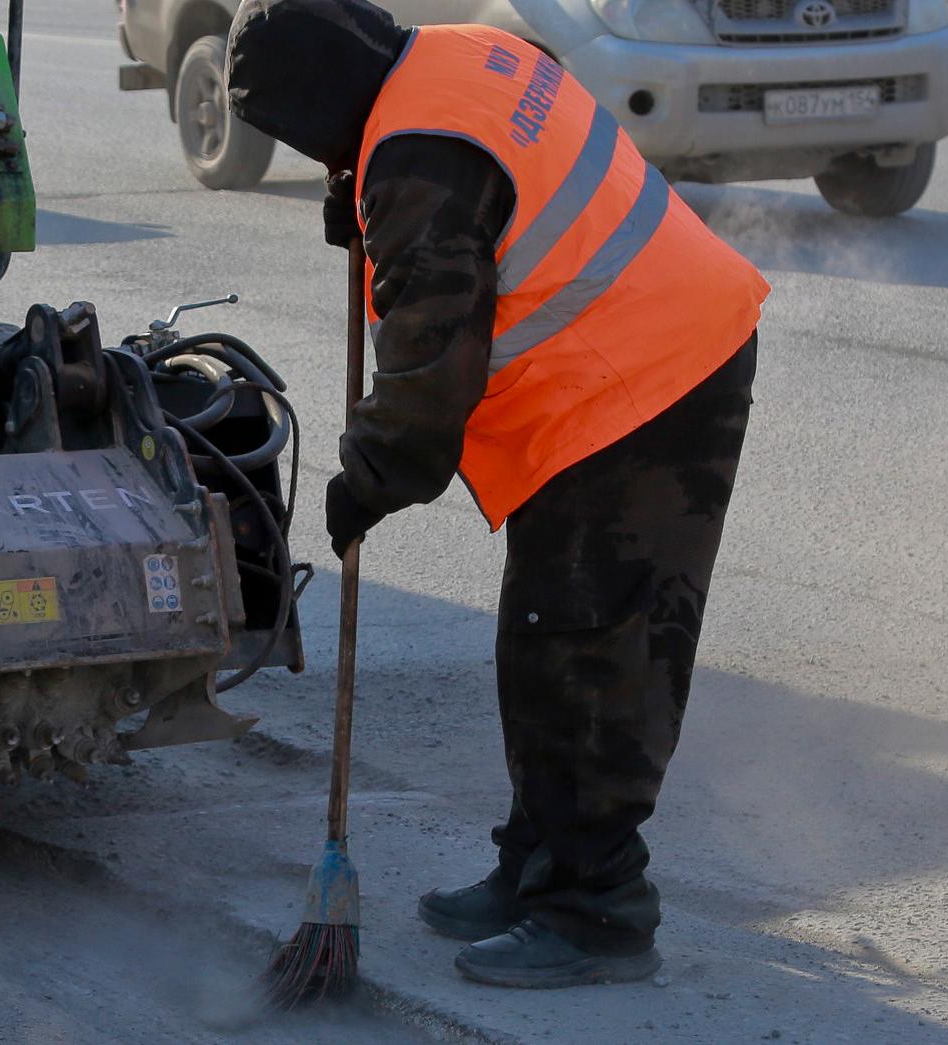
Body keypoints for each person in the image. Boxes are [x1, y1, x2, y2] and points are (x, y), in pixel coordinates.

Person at [226, 0, 769, 988]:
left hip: (649, 382)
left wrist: (367, 480)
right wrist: (362, 183)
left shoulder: (419, 162)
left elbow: (430, 370)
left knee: (595, 652)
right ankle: (537, 860)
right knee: (543, 632)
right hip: (627, 364)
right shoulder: (461, 52)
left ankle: (601, 908)